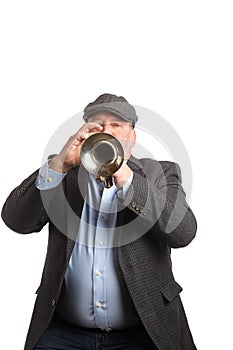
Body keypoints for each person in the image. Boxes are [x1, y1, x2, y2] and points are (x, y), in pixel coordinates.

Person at [1, 93, 197, 350]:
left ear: (133, 138)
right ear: (85, 135)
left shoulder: (161, 172)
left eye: (117, 125)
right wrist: (58, 165)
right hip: (63, 333)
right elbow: (15, 220)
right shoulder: (64, 175)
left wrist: (126, 178)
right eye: (98, 125)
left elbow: (183, 232)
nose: (107, 131)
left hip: (143, 332)